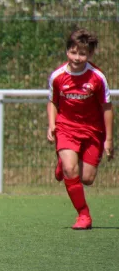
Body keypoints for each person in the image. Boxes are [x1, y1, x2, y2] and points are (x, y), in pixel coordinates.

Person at [47, 28, 113, 230]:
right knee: (70, 169)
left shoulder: (97, 77)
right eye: (73, 52)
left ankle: (64, 161)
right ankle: (83, 215)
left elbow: (107, 107)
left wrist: (108, 139)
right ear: (67, 51)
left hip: (93, 130)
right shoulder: (58, 76)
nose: (77, 57)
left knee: (87, 179)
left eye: (82, 53)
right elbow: (52, 101)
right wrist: (51, 124)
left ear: (90, 54)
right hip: (66, 127)